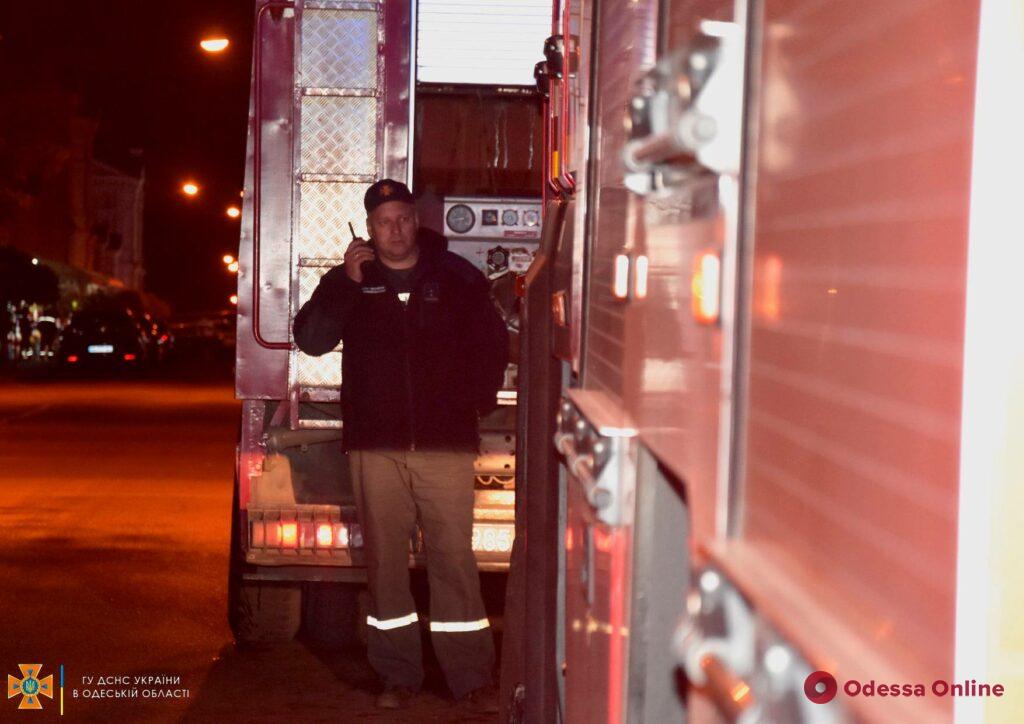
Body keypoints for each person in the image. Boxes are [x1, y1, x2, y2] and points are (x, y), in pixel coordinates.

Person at [293, 179, 508, 711]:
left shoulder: (456, 277)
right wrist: (345, 281)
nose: (395, 229)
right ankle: (398, 675)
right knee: (385, 565)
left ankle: (469, 678)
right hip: (376, 447)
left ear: (417, 221)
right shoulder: (350, 282)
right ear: (369, 230)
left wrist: (475, 403)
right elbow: (311, 339)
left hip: (446, 446)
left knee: (453, 562)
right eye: (384, 221)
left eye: (404, 219)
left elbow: (492, 342)